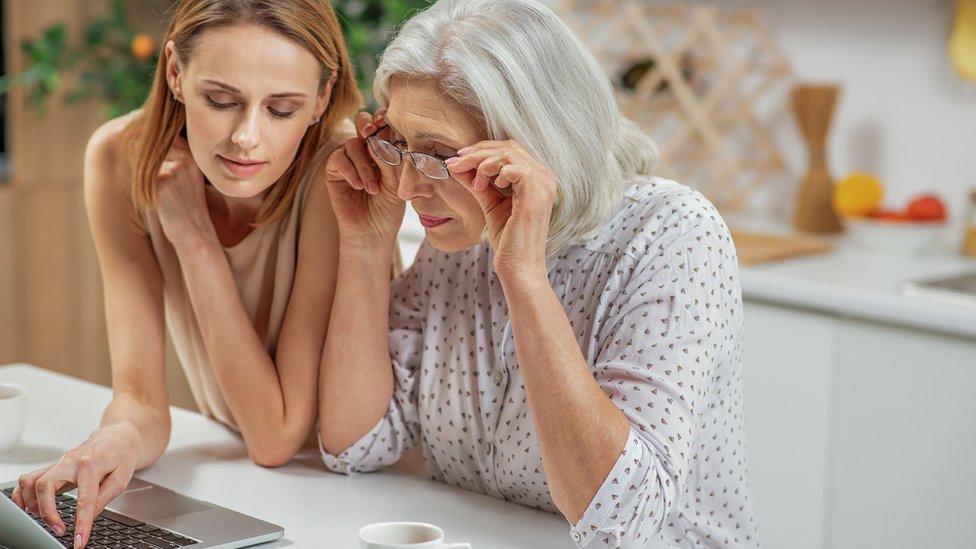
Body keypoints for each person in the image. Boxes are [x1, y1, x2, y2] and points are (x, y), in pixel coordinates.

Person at [319, 0, 760, 547]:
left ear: (536, 143)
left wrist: (523, 275)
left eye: (437, 154)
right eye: (401, 147)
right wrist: (366, 241)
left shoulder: (672, 235)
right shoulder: (458, 235)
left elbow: (622, 521)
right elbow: (355, 444)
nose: (408, 187)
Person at [11, 1, 360, 547]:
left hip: (361, 493)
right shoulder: (119, 158)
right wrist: (115, 439)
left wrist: (194, 238)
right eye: (220, 101)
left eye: (282, 110)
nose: (246, 137)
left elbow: (276, 436)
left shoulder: (339, 173)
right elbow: (141, 395)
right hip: (259, 485)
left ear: (321, 97)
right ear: (175, 71)